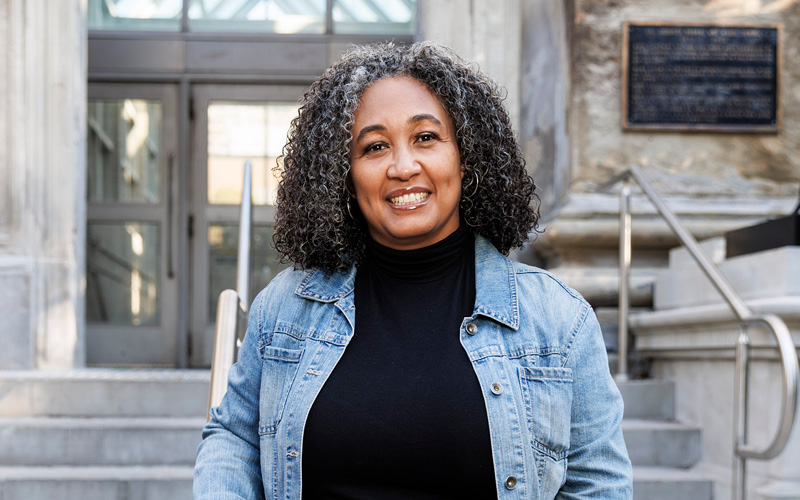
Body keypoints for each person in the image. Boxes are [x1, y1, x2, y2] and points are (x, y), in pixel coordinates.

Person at [194, 41, 632, 500]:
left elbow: (597, 485)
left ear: (466, 158)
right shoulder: (287, 307)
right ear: (345, 175)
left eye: (426, 138)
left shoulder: (559, 321)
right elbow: (233, 436)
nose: (403, 166)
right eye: (375, 146)